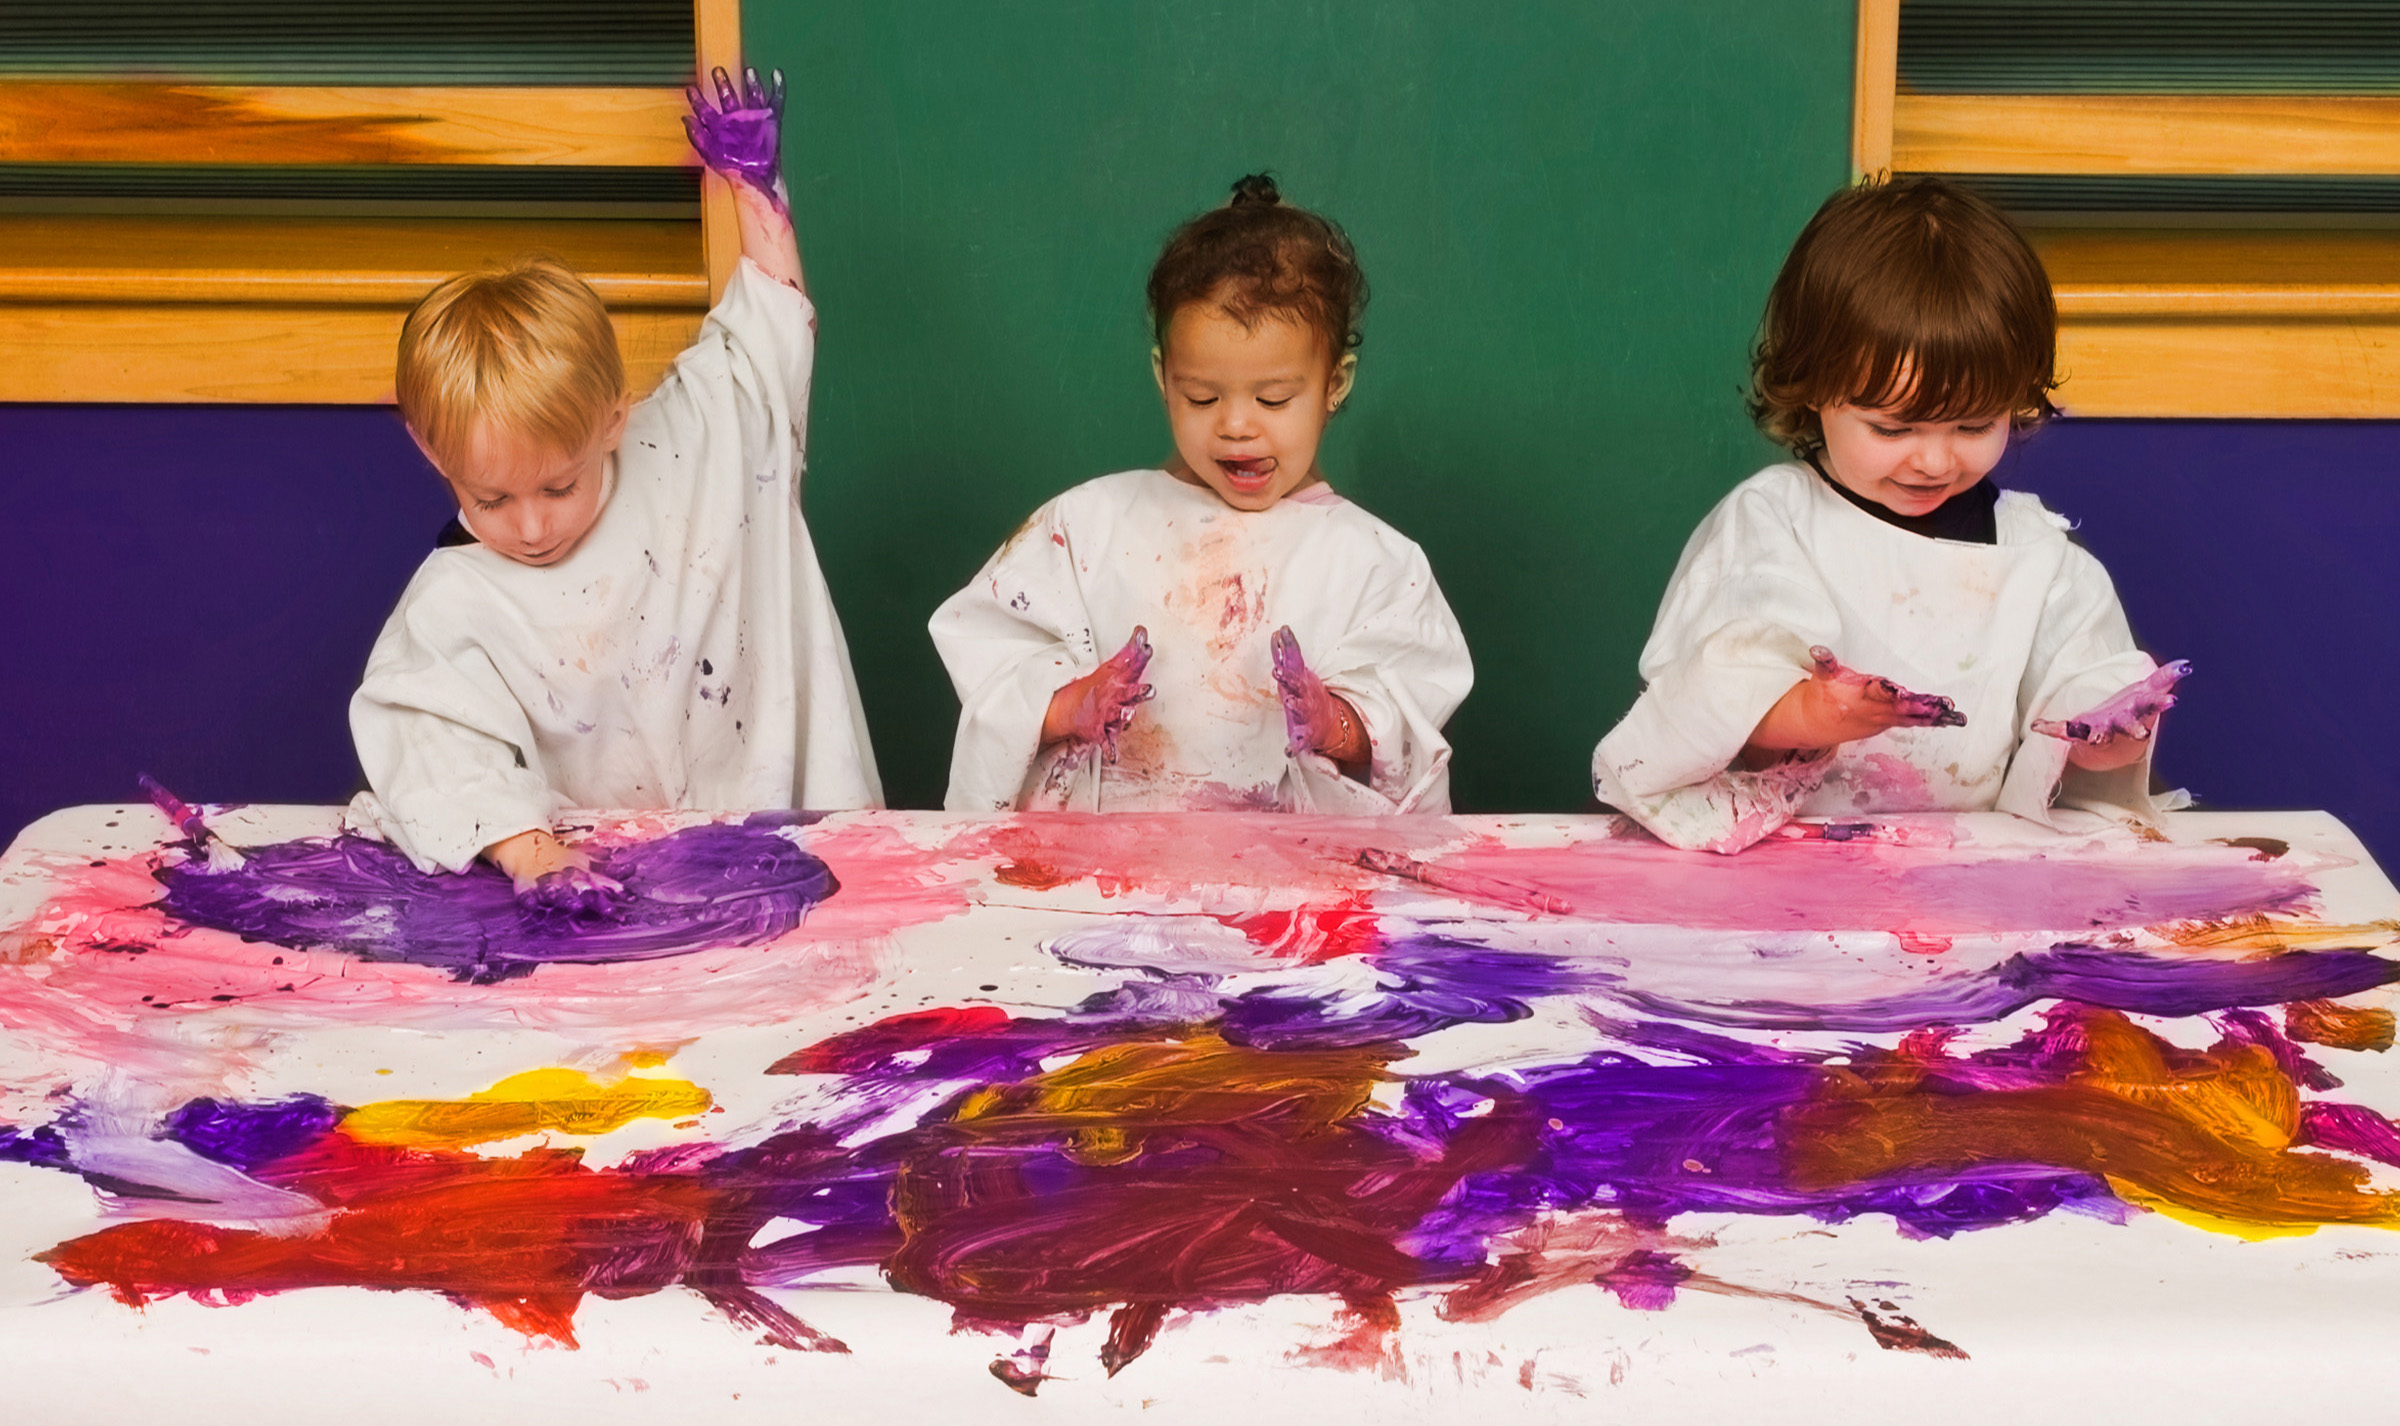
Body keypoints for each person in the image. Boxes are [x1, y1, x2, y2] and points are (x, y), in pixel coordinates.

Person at [348, 68, 880, 894]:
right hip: (604, 886)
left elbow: (771, 330)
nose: (529, 527)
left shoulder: (695, 442)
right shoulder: (453, 603)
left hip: (802, 858)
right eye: (489, 499)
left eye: (559, 488)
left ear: (614, 417)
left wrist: (752, 186)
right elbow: (436, 753)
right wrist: (533, 855)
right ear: (429, 452)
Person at [1591, 176, 2185, 854]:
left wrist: (2106, 736)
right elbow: (1714, 691)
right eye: (1894, 429)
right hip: (1781, 863)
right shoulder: (1773, 523)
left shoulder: (2036, 555)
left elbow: (2080, 713)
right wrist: (1807, 711)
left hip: (1963, 872)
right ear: (1814, 390)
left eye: (1973, 425)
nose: (1934, 460)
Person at [931, 175, 1472, 814]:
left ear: (1335, 383)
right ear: (1164, 376)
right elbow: (993, 667)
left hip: (1291, 893)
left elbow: (1410, 730)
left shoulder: (1379, 565)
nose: (1237, 425)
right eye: (1202, 397)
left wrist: (1339, 724)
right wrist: (1067, 706)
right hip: (1103, 886)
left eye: (1274, 398)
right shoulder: (1084, 528)